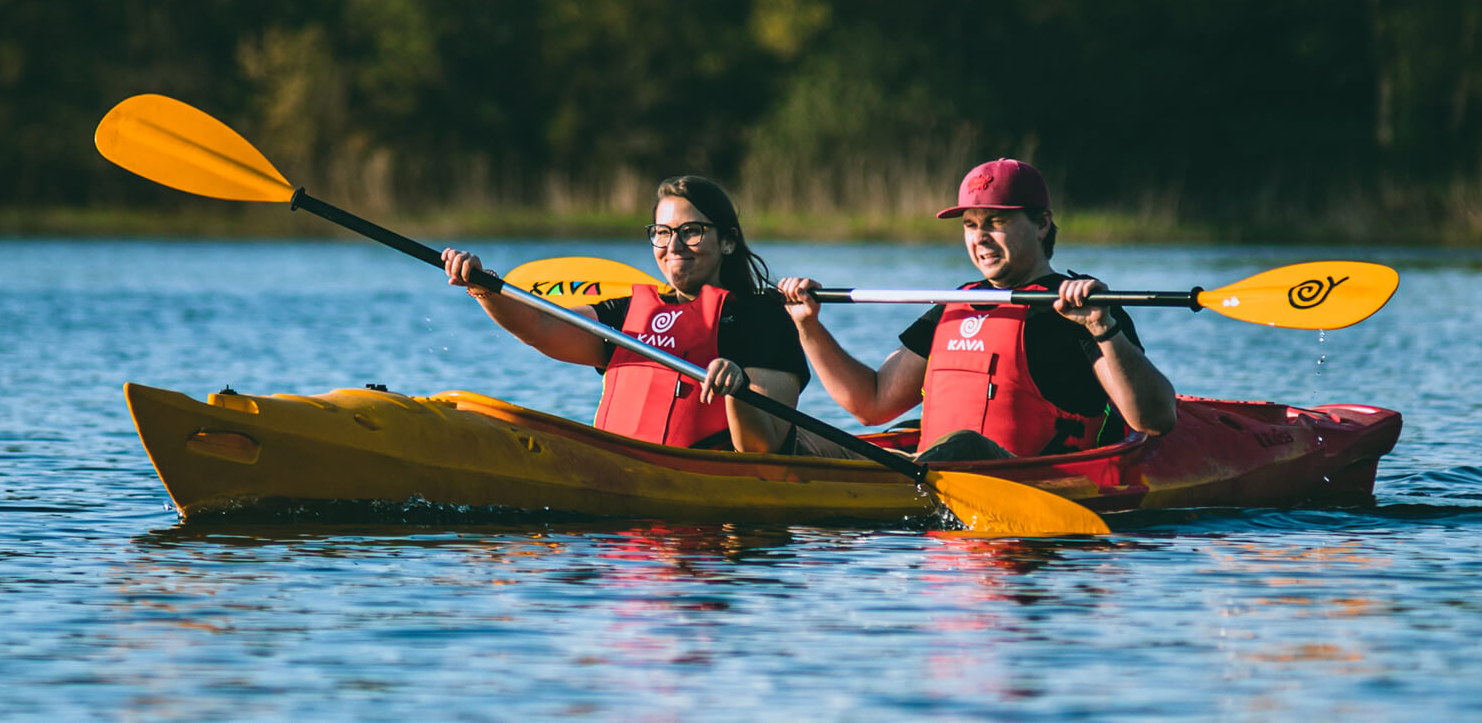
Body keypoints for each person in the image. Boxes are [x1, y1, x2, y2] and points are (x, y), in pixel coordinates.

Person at [778, 158, 1178, 461]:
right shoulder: (954, 304)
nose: (980, 238)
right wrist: (808, 326)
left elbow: (1154, 420)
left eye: (996, 221)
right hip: (930, 476)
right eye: (970, 224)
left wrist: (1102, 327)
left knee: (963, 444)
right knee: (792, 438)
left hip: (1021, 480)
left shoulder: (1082, 307)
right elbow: (872, 403)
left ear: (1041, 224)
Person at [443, 175, 810, 453]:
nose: (674, 246)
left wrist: (739, 389)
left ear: (728, 241)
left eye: (691, 232)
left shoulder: (762, 318)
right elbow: (540, 325)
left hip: (706, 504)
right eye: (662, 233)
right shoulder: (629, 310)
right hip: (617, 474)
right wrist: (483, 286)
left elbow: (763, 448)